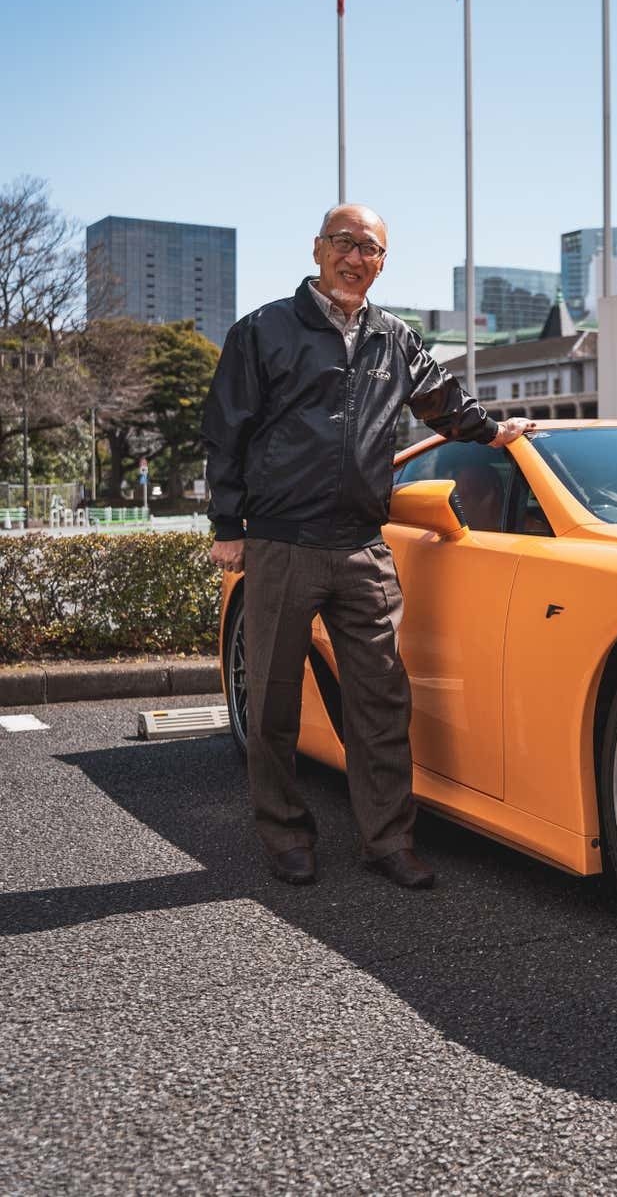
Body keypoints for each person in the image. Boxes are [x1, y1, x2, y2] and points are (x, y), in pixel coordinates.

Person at [202, 204, 533, 891]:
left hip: (361, 545)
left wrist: (494, 430)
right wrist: (227, 527)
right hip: (282, 540)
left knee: (382, 699)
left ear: (383, 263)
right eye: (345, 244)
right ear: (318, 248)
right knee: (271, 702)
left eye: (372, 250)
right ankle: (286, 834)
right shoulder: (263, 330)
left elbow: (442, 401)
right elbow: (225, 431)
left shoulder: (394, 338)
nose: (357, 259)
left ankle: (387, 840)